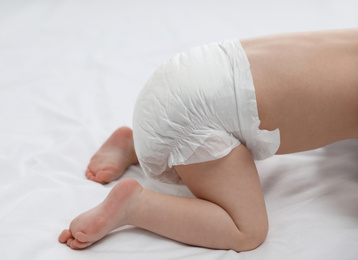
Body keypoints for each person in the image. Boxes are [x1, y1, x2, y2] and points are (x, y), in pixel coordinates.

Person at [58, 28, 358, 251]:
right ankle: (136, 206)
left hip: (189, 73)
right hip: (194, 120)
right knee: (247, 231)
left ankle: (133, 143)